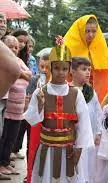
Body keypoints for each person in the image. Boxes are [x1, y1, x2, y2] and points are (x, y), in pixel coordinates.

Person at [24, 37, 94, 182]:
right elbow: (32, 120)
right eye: (56, 68)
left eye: (64, 69)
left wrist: (79, 148)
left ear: (69, 70)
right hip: (46, 148)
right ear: (50, 67)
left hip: (68, 149)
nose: (60, 72)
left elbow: (84, 124)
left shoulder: (76, 93)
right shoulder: (40, 92)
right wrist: (40, 105)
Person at [64, 15, 108, 103]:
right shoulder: (67, 45)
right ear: (80, 31)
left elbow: (106, 72)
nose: (91, 35)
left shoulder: (100, 46)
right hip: (72, 91)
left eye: (94, 31)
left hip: (94, 93)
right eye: (87, 31)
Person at [0, 36, 31, 177]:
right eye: (10, 46)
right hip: (7, 106)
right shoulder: (4, 62)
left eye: (16, 47)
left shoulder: (19, 62)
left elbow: (29, 75)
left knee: (12, 137)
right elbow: (14, 74)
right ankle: (1, 164)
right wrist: (20, 73)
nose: (13, 49)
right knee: (3, 136)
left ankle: (6, 163)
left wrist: (20, 73)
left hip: (19, 109)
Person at [70, 56, 104, 182]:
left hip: (90, 137)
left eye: (89, 69)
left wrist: (99, 132)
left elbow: (98, 113)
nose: (88, 72)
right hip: (74, 137)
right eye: (84, 69)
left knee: (88, 169)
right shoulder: (69, 91)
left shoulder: (91, 92)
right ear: (72, 71)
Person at [26, 52, 51, 183]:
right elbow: (27, 101)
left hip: (50, 124)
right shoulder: (35, 81)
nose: (44, 70)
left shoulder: (55, 85)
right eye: (42, 66)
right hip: (36, 123)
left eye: (47, 68)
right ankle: (30, 174)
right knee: (32, 150)